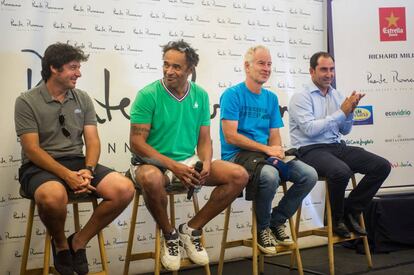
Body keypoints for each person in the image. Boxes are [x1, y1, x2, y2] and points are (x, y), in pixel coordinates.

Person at [14, 43, 135, 275]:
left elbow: (93, 141)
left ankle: (78, 242)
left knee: (124, 188)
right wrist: (67, 176)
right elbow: (32, 149)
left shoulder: (82, 98)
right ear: (54, 68)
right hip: (39, 166)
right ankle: (60, 244)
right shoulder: (26, 101)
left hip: (78, 162)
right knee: (52, 196)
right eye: (73, 67)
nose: (78, 73)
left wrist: (88, 169)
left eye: (78, 67)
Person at [129, 40, 248, 271]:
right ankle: (169, 235)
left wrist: (204, 163)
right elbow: (136, 143)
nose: (169, 71)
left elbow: (204, 139)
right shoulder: (148, 94)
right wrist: (173, 166)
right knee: (151, 179)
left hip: (186, 161)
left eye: (176, 67)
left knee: (239, 175)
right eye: (166, 65)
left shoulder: (200, 95)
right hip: (152, 162)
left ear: (190, 70)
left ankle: (191, 229)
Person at [219, 45, 317, 254]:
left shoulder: (271, 98)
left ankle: (276, 221)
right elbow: (231, 136)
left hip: (264, 154)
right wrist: (267, 149)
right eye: (261, 63)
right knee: (270, 176)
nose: (266, 68)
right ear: (247, 66)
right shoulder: (232, 94)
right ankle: (262, 229)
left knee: (309, 175)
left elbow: (274, 133)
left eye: (269, 64)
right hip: (237, 156)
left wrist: (277, 149)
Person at [289, 51, 391, 238]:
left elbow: (344, 131)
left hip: (336, 146)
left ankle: (351, 211)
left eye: (332, 69)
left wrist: (350, 112)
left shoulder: (337, 96)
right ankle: (335, 220)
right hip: (309, 149)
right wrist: (341, 112)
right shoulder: (300, 97)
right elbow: (310, 130)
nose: (329, 74)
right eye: (323, 70)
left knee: (382, 166)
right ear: (312, 71)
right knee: (341, 171)